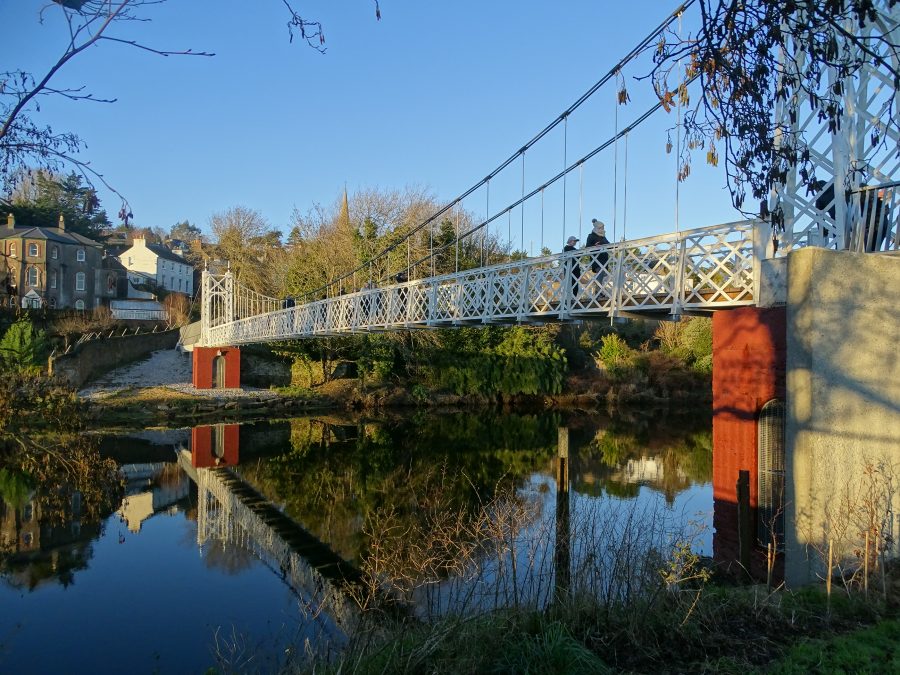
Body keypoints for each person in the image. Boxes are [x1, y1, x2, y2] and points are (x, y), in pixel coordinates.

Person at [585, 218, 610, 285]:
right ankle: (598, 292)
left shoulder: (603, 237)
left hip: (604, 260)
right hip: (597, 259)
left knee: (603, 275)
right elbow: (587, 247)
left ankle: (600, 292)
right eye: (601, 227)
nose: (603, 229)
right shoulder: (591, 236)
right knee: (600, 273)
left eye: (603, 227)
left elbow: (609, 245)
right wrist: (594, 246)